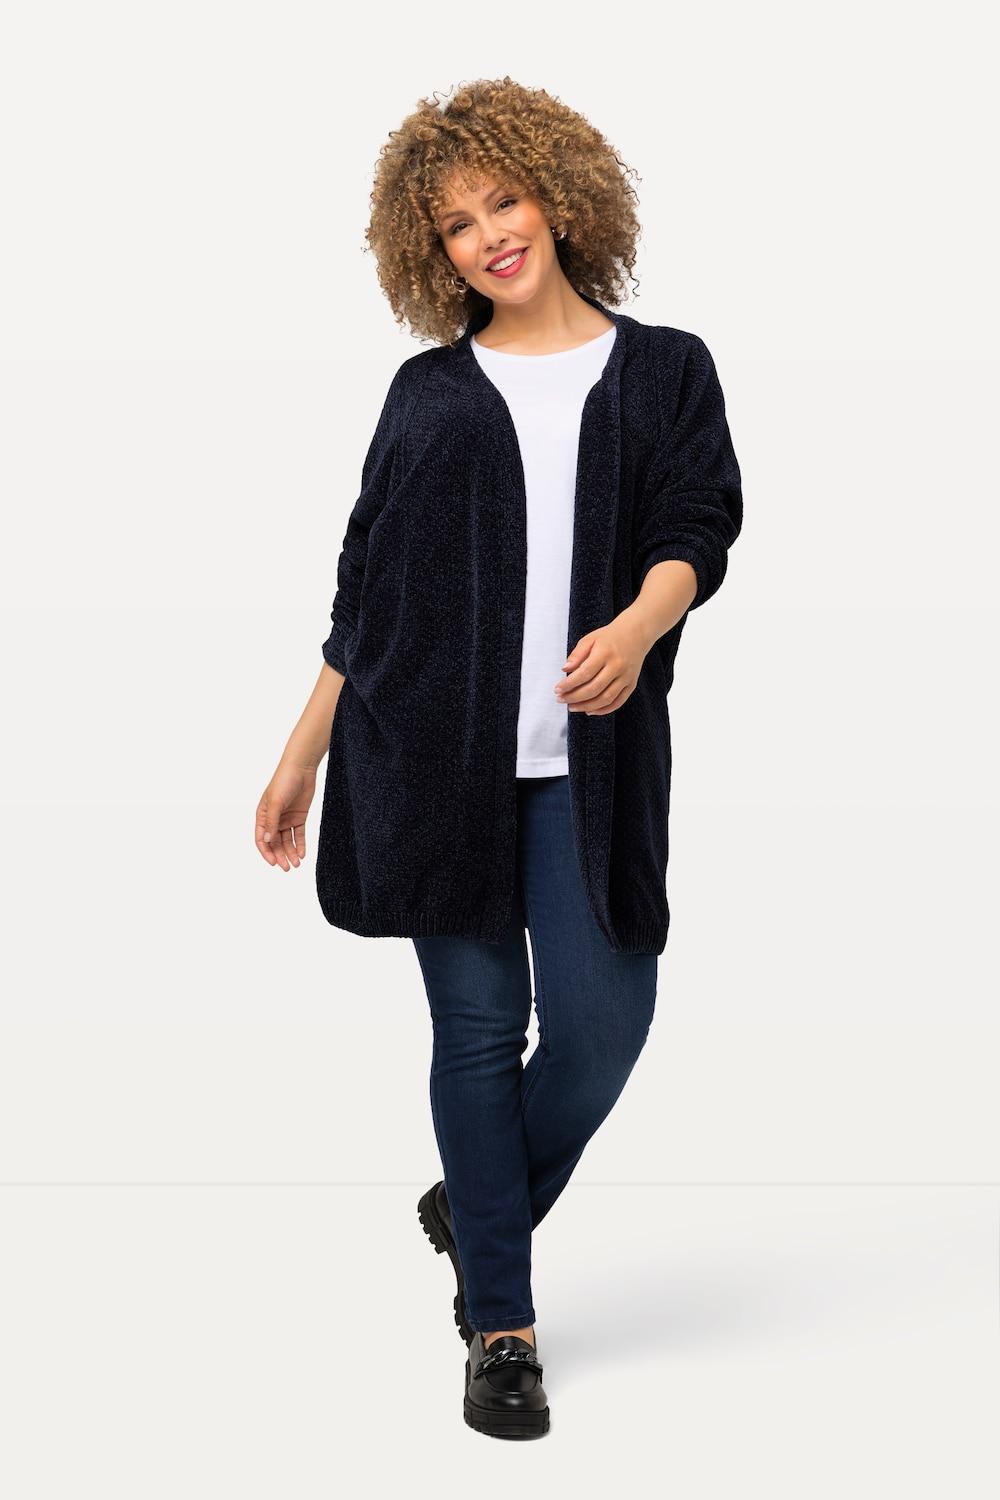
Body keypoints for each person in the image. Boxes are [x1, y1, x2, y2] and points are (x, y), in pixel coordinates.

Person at [255, 76, 743, 1440]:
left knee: (604, 1023)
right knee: (476, 1033)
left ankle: (478, 1203)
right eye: (456, 225)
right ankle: (502, 1325)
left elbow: (699, 523)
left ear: (560, 195)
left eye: (503, 201)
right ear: (433, 254)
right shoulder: (427, 393)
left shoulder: (665, 369)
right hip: (430, 760)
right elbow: (366, 590)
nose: (488, 238)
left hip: (592, 768)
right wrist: (300, 757)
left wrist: (638, 629)